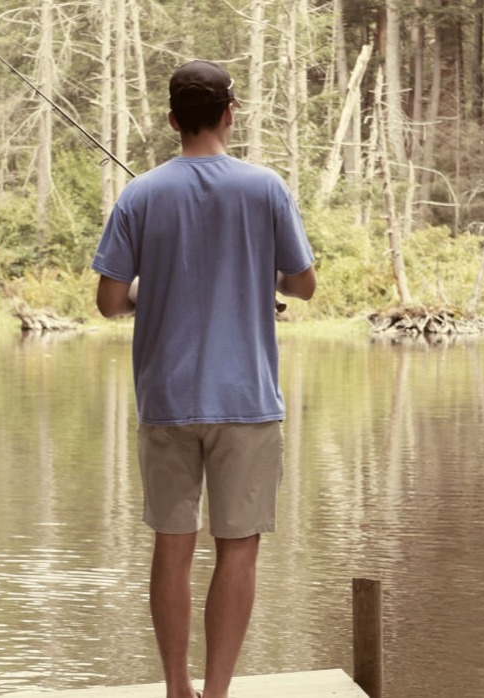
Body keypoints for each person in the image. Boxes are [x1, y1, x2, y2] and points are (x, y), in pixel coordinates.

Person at [91, 59, 316, 698]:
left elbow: (110, 301)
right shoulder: (266, 187)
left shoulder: (139, 194)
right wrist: (263, 282)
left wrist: (145, 291)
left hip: (166, 399)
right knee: (238, 547)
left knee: (172, 545)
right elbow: (302, 284)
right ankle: (216, 693)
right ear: (229, 114)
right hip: (247, 400)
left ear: (172, 120)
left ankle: (176, 689)